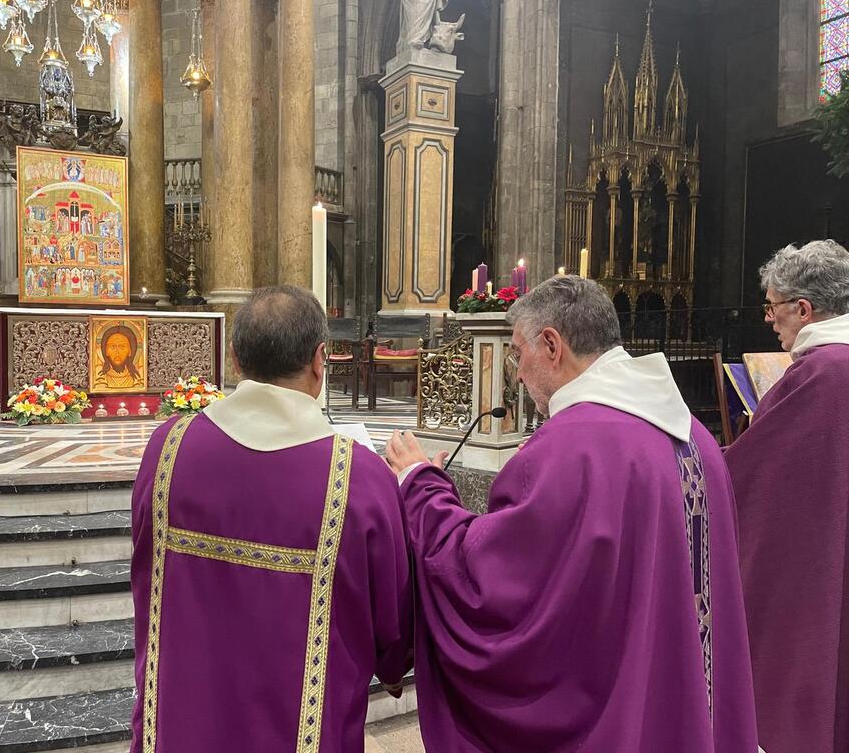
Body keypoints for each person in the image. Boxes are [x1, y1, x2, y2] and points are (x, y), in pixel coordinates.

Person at [385, 275, 757, 752]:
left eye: (519, 352)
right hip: (682, 711)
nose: (517, 373)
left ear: (552, 345)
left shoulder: (571, 451)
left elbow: (487, 585)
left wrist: (418, 484)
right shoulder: (697, 439)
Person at [130, 285, 412, 752]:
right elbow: (393, 620)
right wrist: (394, 660)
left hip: (182, 729)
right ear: (321, 360)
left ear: (236, 359)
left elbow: (146, 575)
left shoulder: (168, 449)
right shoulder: (357, 477)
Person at [724, 239, 849, 753]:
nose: (770, 321)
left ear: (804, 308)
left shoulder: (822, 375)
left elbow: (756, 475)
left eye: (773, 308)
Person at [96, 325, 143, 389]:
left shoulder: (138, 380)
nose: (117, 352)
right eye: (113, 346)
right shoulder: (100, 379)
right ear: (105, 351)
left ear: (130, 351)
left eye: (122, 347)